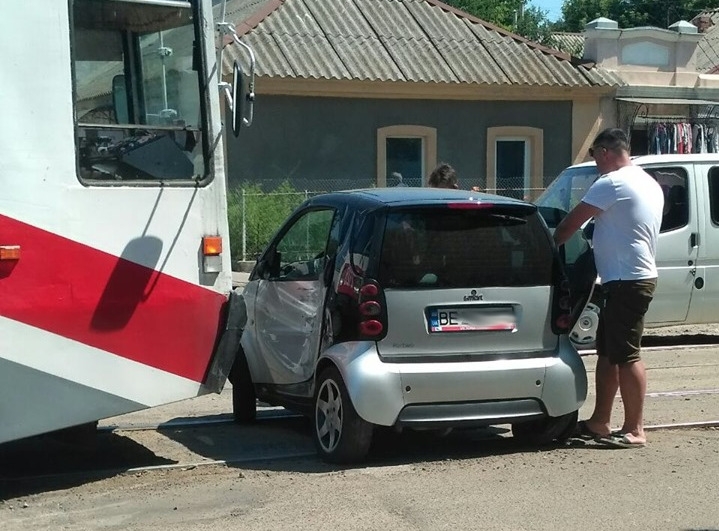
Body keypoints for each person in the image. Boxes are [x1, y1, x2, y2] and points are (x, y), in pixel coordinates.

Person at [553, 128, 664, 448]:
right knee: (609, 352)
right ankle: (600, 421)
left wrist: (548, 249)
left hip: (627, 280)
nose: (595, 163)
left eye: (594, 155)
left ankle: (635, 429)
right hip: (627, 278)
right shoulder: (647, 181)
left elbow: (568, 226)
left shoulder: (612, 183)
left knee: (627, 355)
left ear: (604, 152)